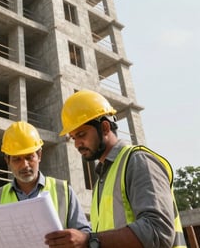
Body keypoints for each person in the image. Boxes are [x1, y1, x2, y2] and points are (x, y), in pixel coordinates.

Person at [45, 89, 186, 248]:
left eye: (82, 134)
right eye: (73, 138)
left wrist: (89, 241)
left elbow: (157, 231)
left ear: (105, 128)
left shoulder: (138, 161)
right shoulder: (102, 179)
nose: (77, 144)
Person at [0, 121, 91, 233]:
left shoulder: (63, 192)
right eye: (17, 159)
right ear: (7, 161)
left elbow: (84, 235)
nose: (24, 165)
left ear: (39, 155)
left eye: (29, 157)